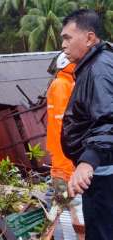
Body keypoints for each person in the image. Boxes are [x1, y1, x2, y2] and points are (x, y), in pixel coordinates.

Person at [60, 9, 113, 239]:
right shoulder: (94, 65)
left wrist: (88, 162)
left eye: (67, 38)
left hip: (101, 173)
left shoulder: (98, 69)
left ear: (89, 38)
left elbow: (108, 117)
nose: (63, 45)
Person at [46, 53, 85, 238]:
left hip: (63, 160)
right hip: (66, 162)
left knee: (60, 207)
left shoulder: (64, 83)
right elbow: (66, 126)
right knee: (71, 207)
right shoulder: (63, 85)